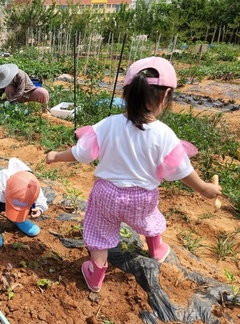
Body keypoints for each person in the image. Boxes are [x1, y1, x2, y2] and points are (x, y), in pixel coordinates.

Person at [45, 56, 222, 293]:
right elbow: (181, 170)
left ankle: (96, 274)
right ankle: (156, 250)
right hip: (142, 198)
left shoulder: (108, 124)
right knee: (150, 221)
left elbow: (82, 154)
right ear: (166, 96)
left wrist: (56, 155)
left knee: (99, 231)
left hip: (106, 194)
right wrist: (203, 188)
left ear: (125, 94)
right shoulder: (164, 134)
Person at [0, 158, 48, 248]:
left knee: (32, 203)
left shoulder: (31, 183)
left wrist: (40, 208)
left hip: (17, 204)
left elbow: (40, 198)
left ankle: (19, 219)